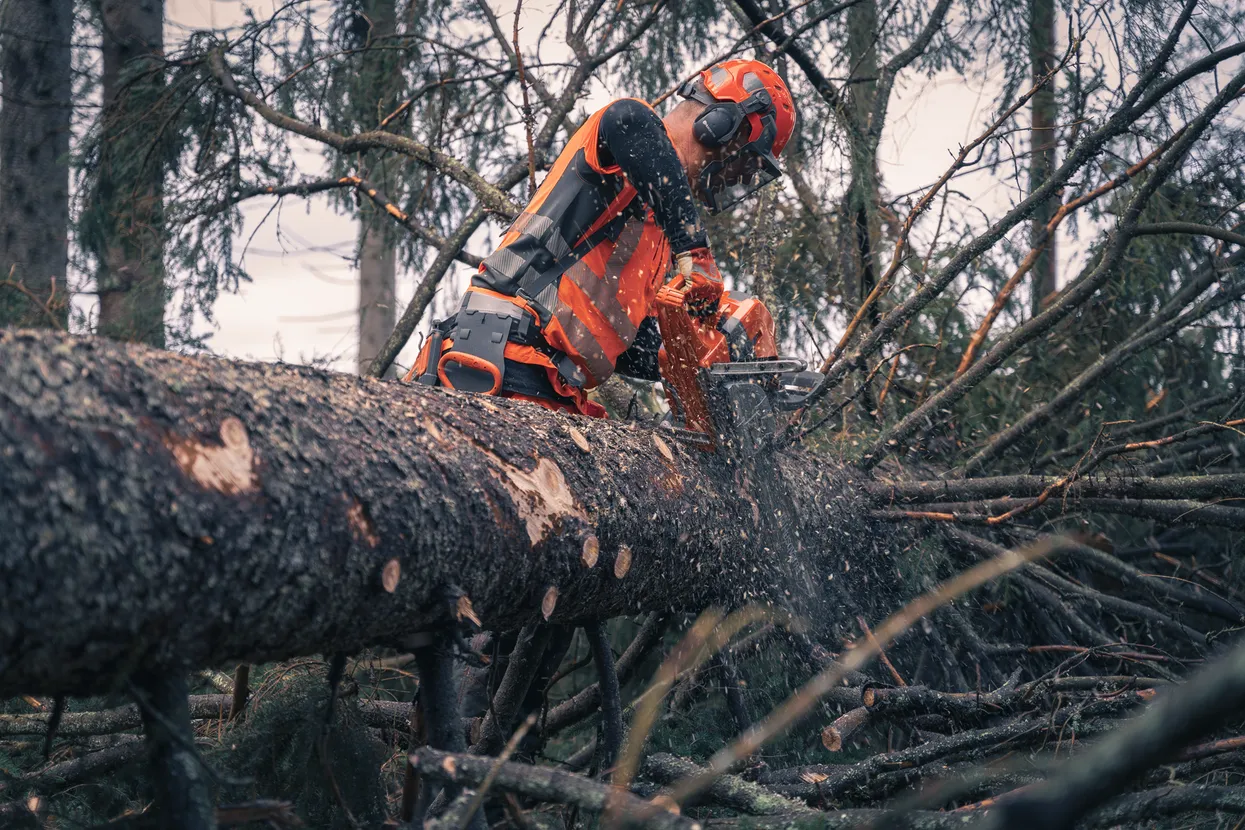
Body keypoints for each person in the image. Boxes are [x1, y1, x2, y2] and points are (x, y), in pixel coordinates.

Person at [407, 59, 796, 418]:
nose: (738, 178)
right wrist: (694, 247)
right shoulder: (630, 137)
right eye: (745, 163)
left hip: (548, 383)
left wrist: (700, 356)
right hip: (497, 357)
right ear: (718, 125)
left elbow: (619, 341)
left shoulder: (657, 237)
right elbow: (626, 120)